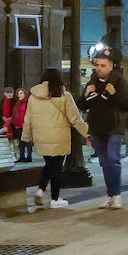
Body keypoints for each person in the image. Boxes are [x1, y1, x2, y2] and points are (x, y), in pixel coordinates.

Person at [77, 49, 128, 210]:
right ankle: (110, 195)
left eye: (103, 65)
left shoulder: (119, 82)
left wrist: (114, 94)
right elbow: (82, 106)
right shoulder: (92, 82)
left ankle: (116, 195)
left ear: (111, 66)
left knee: (112, 160)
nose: (99, 68)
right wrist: (85, 95)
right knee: (104, 163)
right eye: (97, 65)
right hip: (96, 128)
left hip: (114, 128)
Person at [23, 69, 89, 209]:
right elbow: (75, 118)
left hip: (41, 137)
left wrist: (26, 137)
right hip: (59, 137)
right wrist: (87, 133)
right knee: (56, 168)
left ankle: (40, 191)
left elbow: (28, 119)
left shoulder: (33, 96)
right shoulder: (64, 95)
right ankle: (55, 198)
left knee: (48, 165)